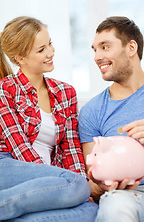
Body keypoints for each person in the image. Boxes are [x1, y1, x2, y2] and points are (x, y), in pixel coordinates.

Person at [0, 16, 98, 222]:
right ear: (20, 58)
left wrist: (79, 184)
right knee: (78, 185)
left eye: (50, 44)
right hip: (8, 166)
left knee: (90, 211)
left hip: (44, 180)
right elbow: (19, 146)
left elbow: (70, 147)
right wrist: (68, 181)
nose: (51, 52)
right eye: (41, 49)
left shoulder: (66, 92)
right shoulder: (5, 90)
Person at [79, 16, 144, 222]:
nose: (97, 56)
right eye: (95, 49)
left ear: (131, 48)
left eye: (105, 47)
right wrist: (104, 184)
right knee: (114, 206)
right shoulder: (92, 111)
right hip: (131, 196)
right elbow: (93, 178)